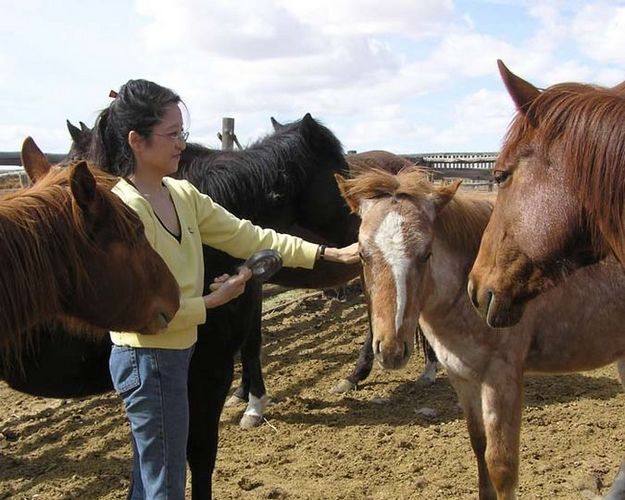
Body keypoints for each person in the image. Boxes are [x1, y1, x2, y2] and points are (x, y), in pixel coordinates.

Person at [89, 79, 359, 500]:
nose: (182, 143)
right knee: (165, 483)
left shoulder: (180, 195)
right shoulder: (124, 209)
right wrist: (212, 302)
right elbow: (138, 310)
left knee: (153, 475)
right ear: (136, 141)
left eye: (184, 132)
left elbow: (249, 236)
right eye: (172, 134)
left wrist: (328, 255)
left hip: (177, 352)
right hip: (146, 358)